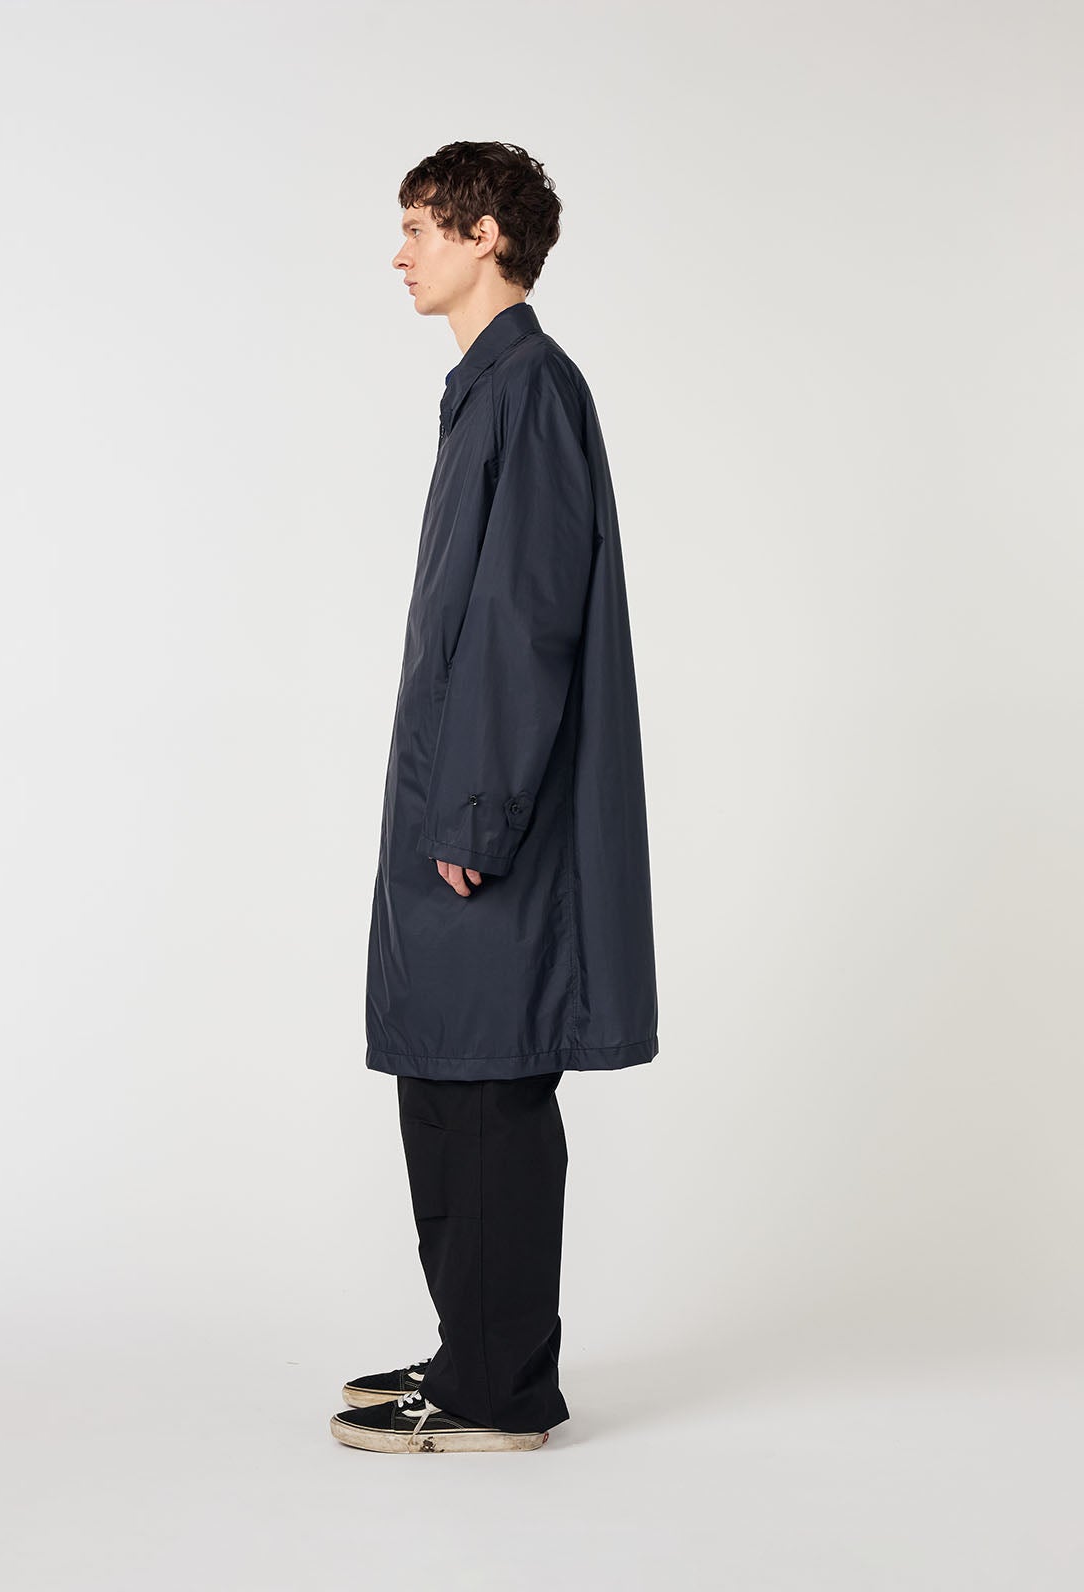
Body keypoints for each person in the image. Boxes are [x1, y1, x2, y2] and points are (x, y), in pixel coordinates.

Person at [330, 141, 658, 1456]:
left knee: (486, 1089)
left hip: (486, 822)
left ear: (484, 237)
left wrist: (474, 814)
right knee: (444, 1080)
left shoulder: (530, 389)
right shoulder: (489, 390)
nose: (400, 252)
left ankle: (497, 1393)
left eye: (420, 227)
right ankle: (476, 1353)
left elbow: (527, 622)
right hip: (458, 806)